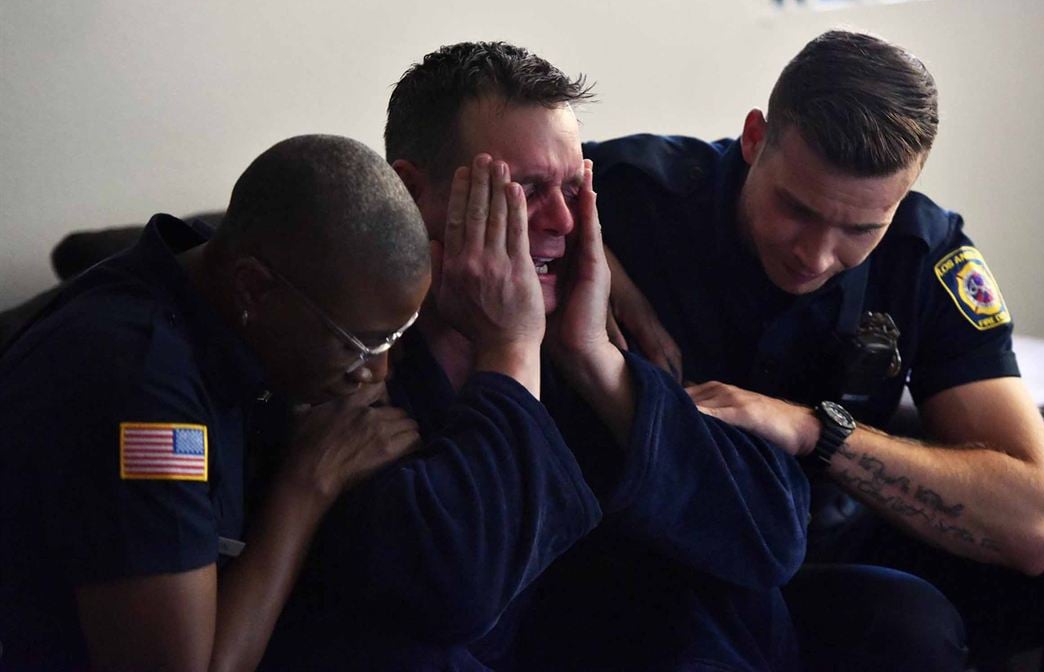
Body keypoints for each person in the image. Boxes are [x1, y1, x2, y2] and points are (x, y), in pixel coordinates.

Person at [262, 41, 811, 671]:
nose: (563, 221)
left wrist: (595, 363)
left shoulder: (586, 327)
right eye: (524, 189)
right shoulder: (351, 353)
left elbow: (772, 540)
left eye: (573, 188)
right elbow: (457, 590)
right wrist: (511, 347)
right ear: (412, 192)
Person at [588, 29, 1044, 670]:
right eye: (795, 208)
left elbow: (1032, 528)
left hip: (841, 530)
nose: (815, 255)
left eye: (860, 228)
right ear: (756, 138)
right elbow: (440, 177)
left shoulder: (924, 256)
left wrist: (811, 430)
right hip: (672, 554)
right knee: (908, 625)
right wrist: (597, 264)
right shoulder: (636, 194)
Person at [0, 135, 430, 670]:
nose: (376, 371)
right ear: (253, 288)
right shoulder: (138, 387)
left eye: (394, 337)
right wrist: (307, 486)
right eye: (356, 342)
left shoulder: (212, 290)